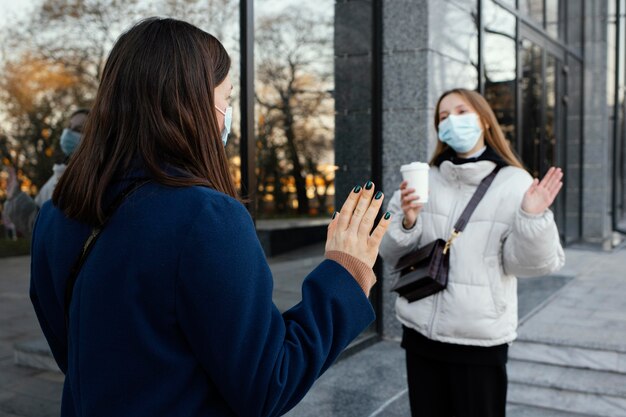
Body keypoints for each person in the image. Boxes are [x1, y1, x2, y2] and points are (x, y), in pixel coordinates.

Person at [30, 17, 391, 417]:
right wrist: (344, 273)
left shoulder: (55, 214)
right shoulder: (206, 218)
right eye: (228, 97)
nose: (228, 114)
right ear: (193, 102)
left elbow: (74, 354)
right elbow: (269, 382)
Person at [379, 88, 565, 417]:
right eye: (443, 117)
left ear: (484, 120)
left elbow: (531, 265)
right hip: (421, 332)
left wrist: (532, 217)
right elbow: (391, 254)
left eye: (462, 112)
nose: (452, 121)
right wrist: (407, 221)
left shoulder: (514, 182)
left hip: (478, 340)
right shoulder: (425, 179)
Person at [4, 109, 88, 238]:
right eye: (69, 127)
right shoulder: (55, 179)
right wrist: (15, 197)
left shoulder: (104, 178)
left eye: (78, 129)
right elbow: (37, 226)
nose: (68, 133)